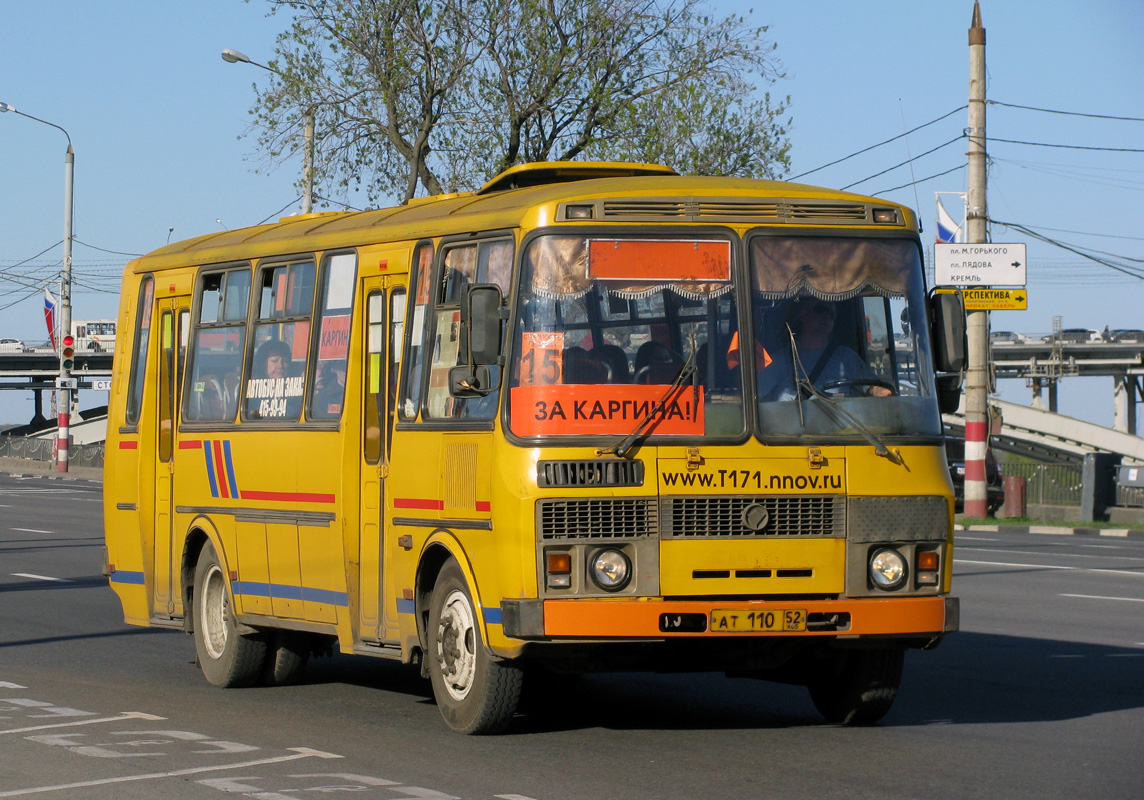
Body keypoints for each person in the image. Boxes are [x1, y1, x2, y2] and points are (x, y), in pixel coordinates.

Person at [758, 296, 892, 401]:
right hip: (793, 432)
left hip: (839, 431)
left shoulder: (845, 357)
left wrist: (881, 391)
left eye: (831, 313)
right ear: (803, 314)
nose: (826, 316)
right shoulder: (782, 359)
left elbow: (871, 386)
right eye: (820, 310)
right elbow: (755, 394)